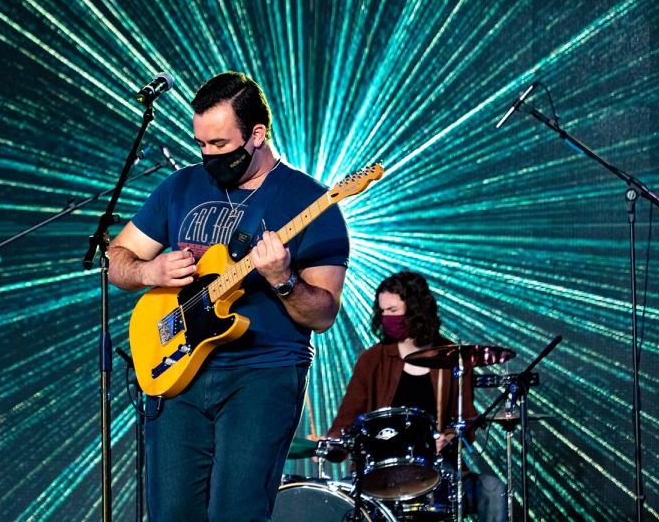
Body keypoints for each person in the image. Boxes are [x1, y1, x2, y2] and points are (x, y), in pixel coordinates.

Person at [108, 71, 350, 521]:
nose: (207, 155)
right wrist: (150, 269)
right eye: (201, 143)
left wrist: (283, 280)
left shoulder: (311, 202)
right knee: (172, 514)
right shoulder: (180, 186)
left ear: (256, 134)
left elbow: (322, 314)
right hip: (177, 371)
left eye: (219, 144)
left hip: (262, 375)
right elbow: (116, 259)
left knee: (236, 512)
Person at [326, 270, 507, 522]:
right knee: (335, 502)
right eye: (383, 312)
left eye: (393, 311)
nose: (386, 318)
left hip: (437, 468)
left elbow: (467, 421)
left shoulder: (455, 359)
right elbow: (346, 419)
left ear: (416, 310)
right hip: (382, 472)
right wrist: (332, 443)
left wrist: (448, 437)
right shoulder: (372, 360)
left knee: (494, 489)